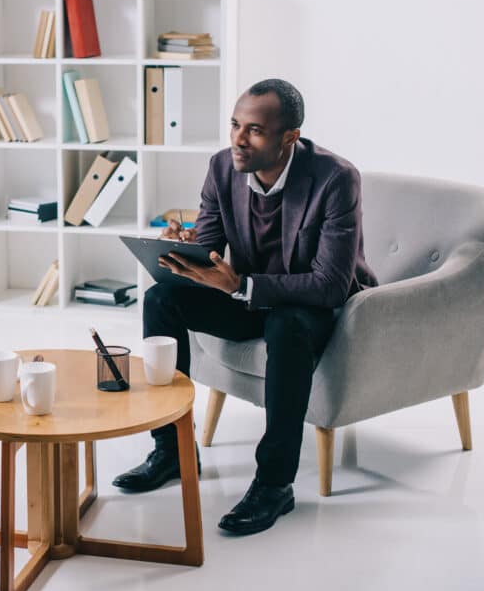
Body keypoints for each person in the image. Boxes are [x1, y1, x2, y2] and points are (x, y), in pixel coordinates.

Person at [113, 79, 378, 535]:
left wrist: (244, 285)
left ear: (289, 137)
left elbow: (331, 285)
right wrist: (186, 251)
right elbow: (212, 247)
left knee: (286, 326)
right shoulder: (222, 167)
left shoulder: (335, 179)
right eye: (235, 125)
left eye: (254, 130)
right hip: (246, 292)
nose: (238, 139)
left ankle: (275, 484)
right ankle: (172, 449)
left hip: (312, 306)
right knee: (161, 299)